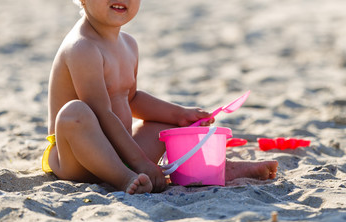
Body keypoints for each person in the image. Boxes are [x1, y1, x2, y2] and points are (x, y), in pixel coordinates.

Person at [42, 0, 278, 195]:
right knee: (75, 113)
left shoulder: (128, 44)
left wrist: (180, 114)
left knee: (169, 126)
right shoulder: (82, 47)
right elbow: (102, 114)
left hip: (121, 151)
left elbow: (131, 98)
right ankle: (125, 180)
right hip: (77, 158)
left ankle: (212, 170)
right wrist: (140, 162)